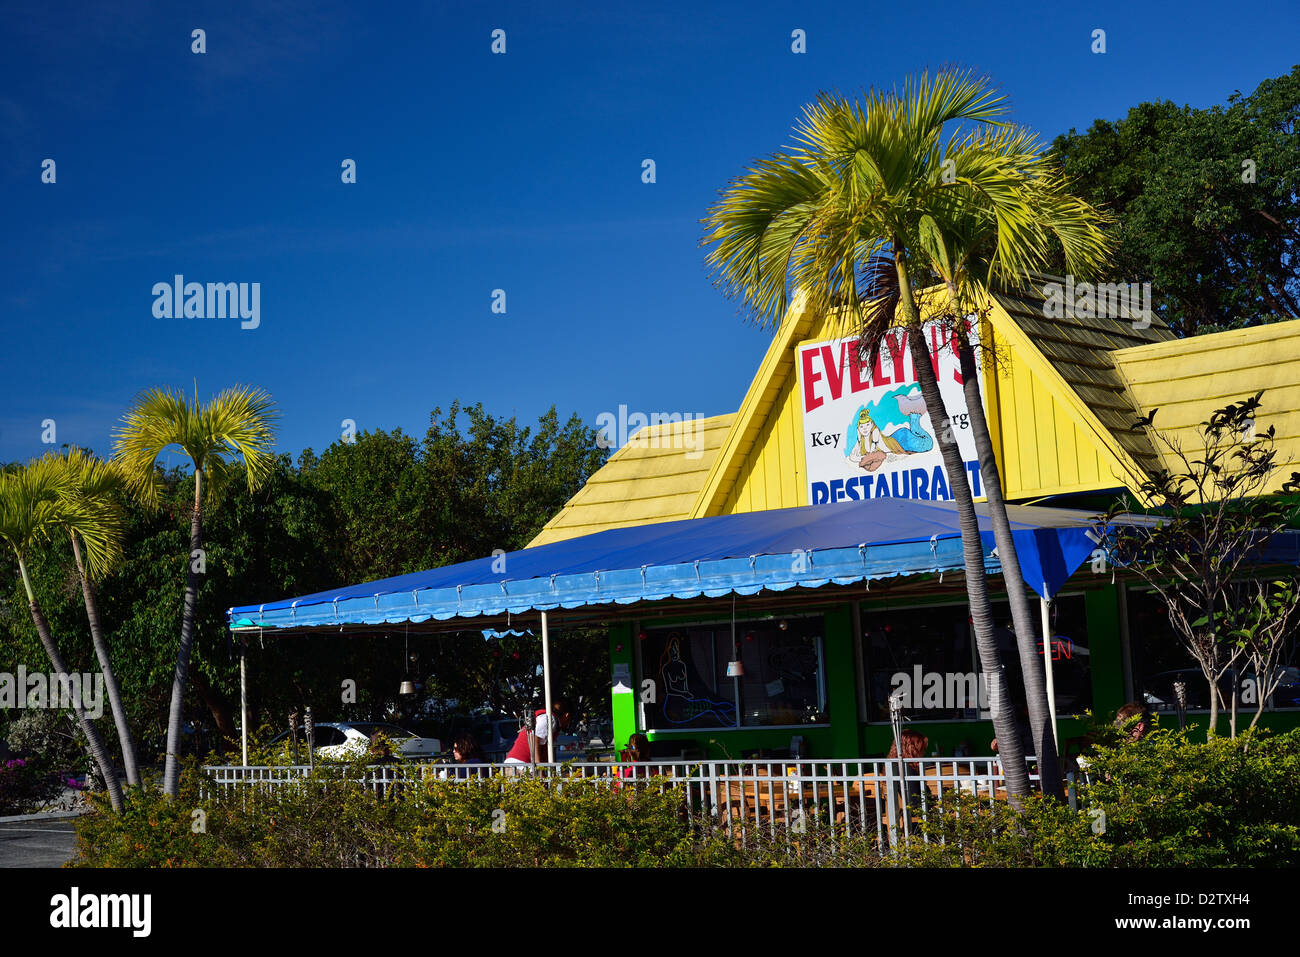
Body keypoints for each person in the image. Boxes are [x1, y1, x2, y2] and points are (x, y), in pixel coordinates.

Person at [503, 698, 573, 767]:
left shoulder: (548, 718)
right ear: (567, 716)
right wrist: (539, 769)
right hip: (521, 764)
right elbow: (533, 737)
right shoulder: (549, 719)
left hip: (517, 762)